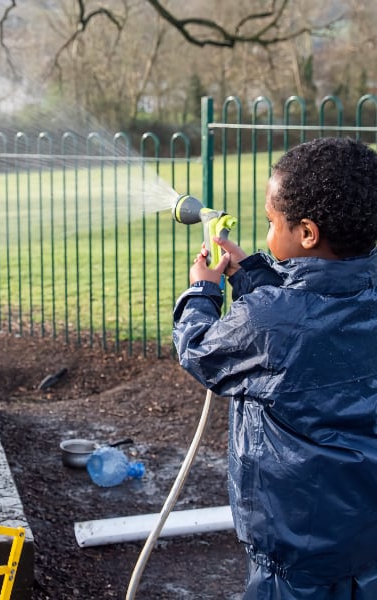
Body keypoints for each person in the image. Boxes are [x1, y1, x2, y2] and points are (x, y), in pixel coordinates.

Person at [173, 137, 377, 599]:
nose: (267, 234)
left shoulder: (270, 319)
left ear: (306, 233)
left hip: (294, 550)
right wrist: (250, 274)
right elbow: (306, 315)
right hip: (363, 536)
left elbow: (200, 350)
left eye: (271, 222)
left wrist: (203, 292)